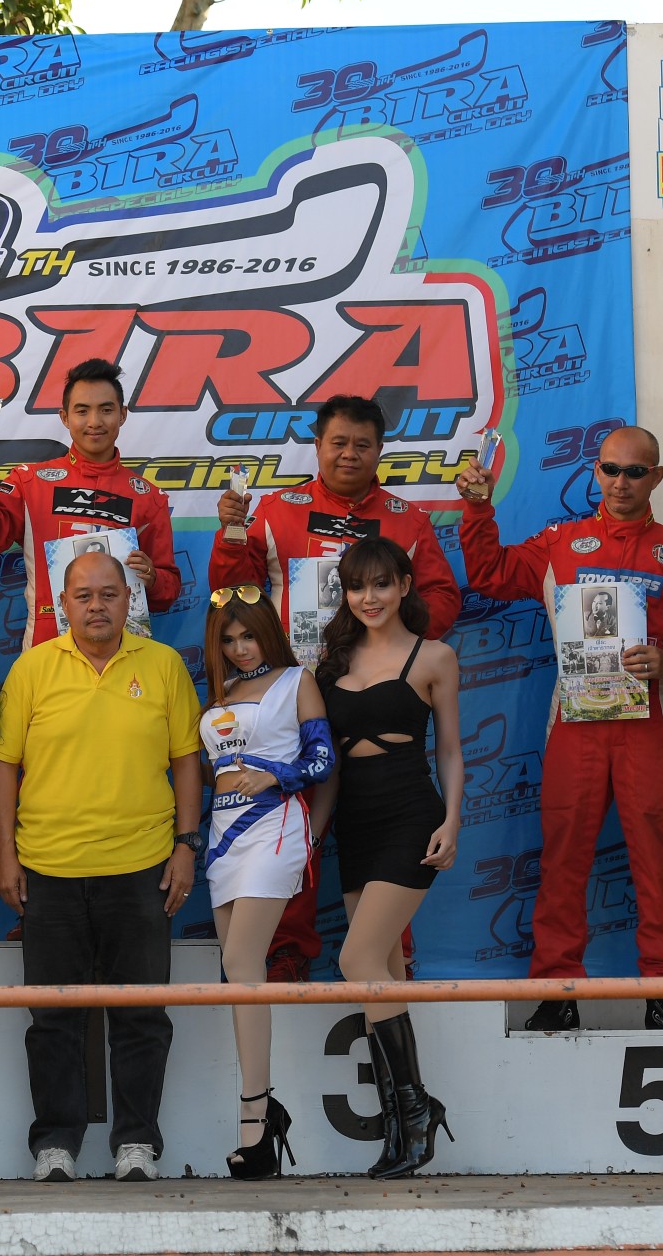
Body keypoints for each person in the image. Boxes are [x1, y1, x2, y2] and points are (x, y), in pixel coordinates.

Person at [456, 425, 663, 1031]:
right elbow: (491, 574)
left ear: (657, 477)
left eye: (635, 472)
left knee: (657, 864)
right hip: (575, 724)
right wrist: (477, 509)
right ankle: (557, 994)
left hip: (646, 726)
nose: (620, 482)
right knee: (562, 863)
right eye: (610, 469)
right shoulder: (561, 543)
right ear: (595, 471)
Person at [210, 393, 462, 982]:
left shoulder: (406, 518)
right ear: (318, 445)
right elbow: (235, 596)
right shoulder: (277, 510)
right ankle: (286, 948)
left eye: (363, 445)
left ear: (380, 450)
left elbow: (444, 597)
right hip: (287, 696)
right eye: (338, 443)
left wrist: (386, 645)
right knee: (289, 821)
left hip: (361, 692)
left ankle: (392, 949)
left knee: (380, 812)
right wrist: (230, 536)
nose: (350, 454)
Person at [0, 550, 202, 1184]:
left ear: (129, 599)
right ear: (62, 604)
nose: (97, 606)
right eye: (83, 596)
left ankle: (136, 1144)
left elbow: (187, 759)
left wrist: (186, 845)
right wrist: (5, 855)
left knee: (141, 1015)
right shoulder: (32, 668)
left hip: (142, 867)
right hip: (48, 868)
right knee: (53, 1017)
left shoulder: (163, 665)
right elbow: (4, 765)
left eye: (109, 594)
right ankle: (55, 1145)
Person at [312, 536, 462, 1178]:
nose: (368, 597)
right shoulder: (331, 664)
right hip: (355, 821)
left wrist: (453, 819)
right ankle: (403, 1129)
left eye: (380, 584)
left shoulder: (435, 657)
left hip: (410, 815)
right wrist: (312, 835)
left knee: (358, 960)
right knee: (384, 972)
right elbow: (328, 769)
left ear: (404, 585)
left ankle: (416, 1110)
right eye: (355, 586)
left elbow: (450, 749)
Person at [198, 585, 336, 1178]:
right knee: (238, 975)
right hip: (223, 834)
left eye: (249, 635)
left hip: (275, 826)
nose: (240, 648)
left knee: (242, 961)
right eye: (229, 639)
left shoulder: (297, 681)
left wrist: (275, 775)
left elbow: (323, 760)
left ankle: (256, 1116)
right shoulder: (221, 693)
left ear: (268, 633)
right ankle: (256, 1123)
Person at [0, 358, 182, 651]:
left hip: (122, 655)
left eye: (106, 410)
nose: (94, 422)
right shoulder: (30, 482)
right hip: (46, 650)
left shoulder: (148, 497)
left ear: (122, 415)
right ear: (64, 417)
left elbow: (168, 592)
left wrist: (152, 577)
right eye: (82, 411)